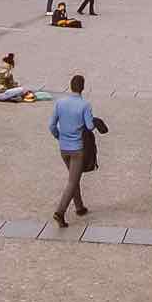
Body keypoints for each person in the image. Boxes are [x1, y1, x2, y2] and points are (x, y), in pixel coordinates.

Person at [49, 74, 95, 227]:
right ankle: (60, 212)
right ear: (83, 87)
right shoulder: (84, 105)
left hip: (63, 148)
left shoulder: (60, 103)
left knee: (73, 178)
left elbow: (52, 126)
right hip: (77, 148)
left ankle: (79, 206)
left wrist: (59, 137)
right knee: (72, 181)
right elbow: (89, 127)